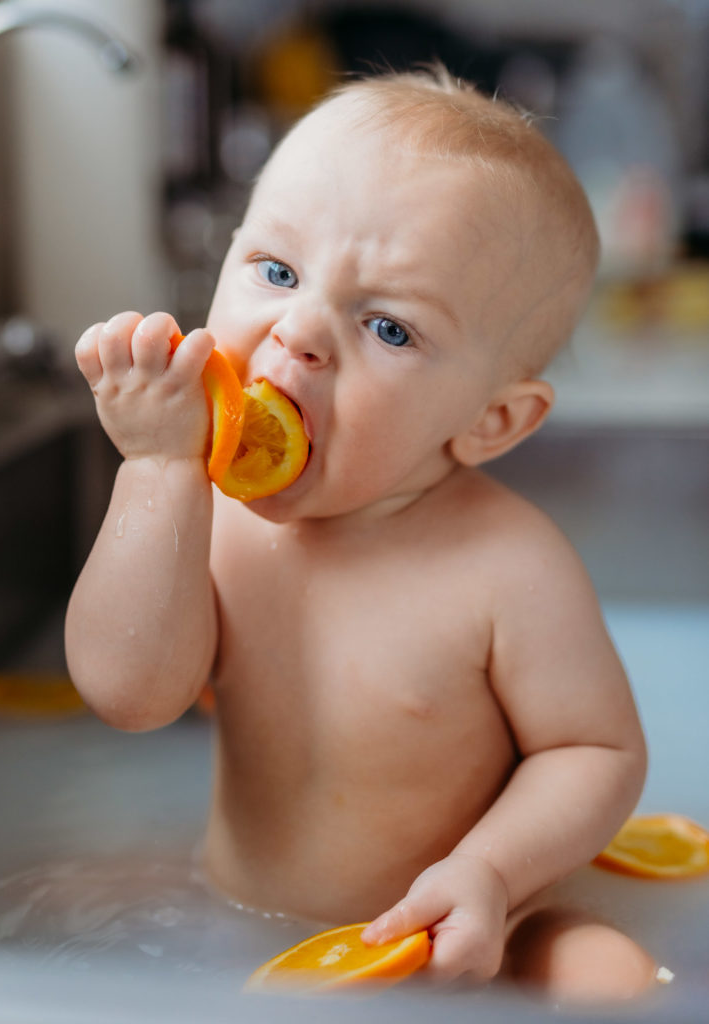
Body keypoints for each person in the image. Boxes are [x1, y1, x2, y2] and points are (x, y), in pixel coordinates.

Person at [66, 67, 658, 1001]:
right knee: (63, 924)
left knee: (612, 979)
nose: (297, 330)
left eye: (388, 326)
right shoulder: (206, 518)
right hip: (241, 923)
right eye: (275, 270)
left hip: (478, 925)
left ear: (492, 420)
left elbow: (594, 753)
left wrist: (494, 876)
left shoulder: (506, 565)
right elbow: (129, 694)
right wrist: (154, 472)